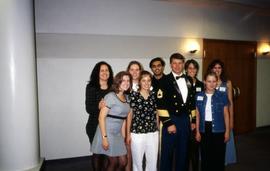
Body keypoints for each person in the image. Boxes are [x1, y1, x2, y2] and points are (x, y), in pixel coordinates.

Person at [156, 53, 195, 171]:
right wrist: (168, 123)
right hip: (171, 119)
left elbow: (191, 102)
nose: (177, 66)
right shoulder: (164, 80)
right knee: (167, 153)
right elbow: (160, 104)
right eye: (174, 63)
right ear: (170, 64)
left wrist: (193, 120)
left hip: (184, 120)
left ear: (183, 64)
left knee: (183, 152)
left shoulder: (189, 79)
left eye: (179, 63)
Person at [91, 71, 132, 171]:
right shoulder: (110, 96)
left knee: (123, 161)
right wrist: (104, 138)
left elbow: (123, 119)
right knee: (113, 162)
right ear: (118, 82)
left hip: (117, 134)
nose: (126, 83)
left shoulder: (127, 98)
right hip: (106, 132)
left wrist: (124, 136)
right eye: (123, 80)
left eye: (128, 81)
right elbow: (101, 118)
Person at [195, 72, 230, 171]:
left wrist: (227, 131)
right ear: (204, 82)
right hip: (204, 128)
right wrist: (197, 131)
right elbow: (197, 115)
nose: (211, 84)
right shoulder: (198, 96)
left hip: (219, 129)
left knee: (218, 156)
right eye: (209, 81)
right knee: (205, 155)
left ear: (217, 82)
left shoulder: (222, 95)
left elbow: (226, 114)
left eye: (214, 81)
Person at [126, 71, 159, 171]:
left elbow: (156, 113)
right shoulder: (133, 95)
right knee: (137, 163)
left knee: (153, 161)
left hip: (152, 132)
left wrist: (157, 129)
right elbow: (130, 114)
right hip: (137, 133)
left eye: (149, 80)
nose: (146, 83)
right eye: (143, 80)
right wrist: (128, 134)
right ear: (139, 82)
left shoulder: (154, 95)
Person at [207, 59, 237, 165]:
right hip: (211, 118)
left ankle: (223, 161)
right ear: (211, 69)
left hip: (225, 118)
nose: (217, 70)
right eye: (215, 67)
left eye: (219, 67)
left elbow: (230, 103)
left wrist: (231, 121)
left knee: (224, 140)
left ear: (222, 69)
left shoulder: (227, 83)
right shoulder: (207, 82)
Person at [85, 61, 113, 171]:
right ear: (97, 72)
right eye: (102, 70)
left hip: (109, 127)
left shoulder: (113, 87)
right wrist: (98, 106)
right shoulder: (91, 87)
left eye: (107, 70)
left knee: (107, 154)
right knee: (98, 154)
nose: (105, 72)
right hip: (94, 125)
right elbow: (88, 109)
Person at [185, 59, 204, 171]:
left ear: (197, 70)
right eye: (190, 68)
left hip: (197, 119)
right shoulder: (181, 82)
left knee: (195, 147)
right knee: (185, 149)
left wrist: (195, 121)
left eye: (194, 68)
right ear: (186, 69)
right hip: (184, 119)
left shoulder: (201, 84)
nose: (192, 70)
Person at [126, 60, 144, 171]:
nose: (134, 72)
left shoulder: (146, 84)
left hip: (141, 123)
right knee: (128, 153)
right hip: (126, 122)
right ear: (128, 71)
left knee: (140, 153)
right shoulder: (124, 85)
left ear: (140, 71)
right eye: (132, 69)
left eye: (137, 69)